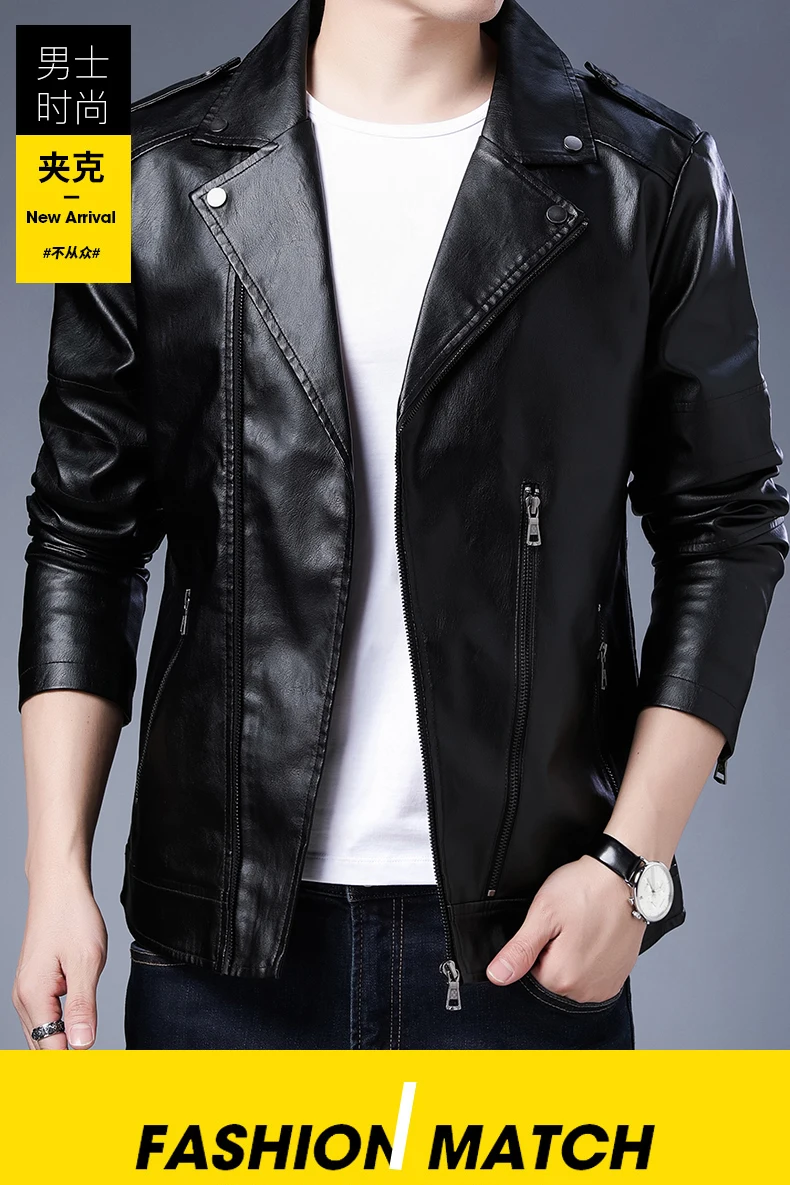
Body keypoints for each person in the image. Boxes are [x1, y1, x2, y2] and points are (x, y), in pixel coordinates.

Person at [12, 0, 788, 1051]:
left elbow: (727, 525)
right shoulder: (107, 165)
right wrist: (55, 873)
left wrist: (631, 865)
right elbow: (81, 531)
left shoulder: (655, 172)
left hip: (531, 936)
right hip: (217, 953)